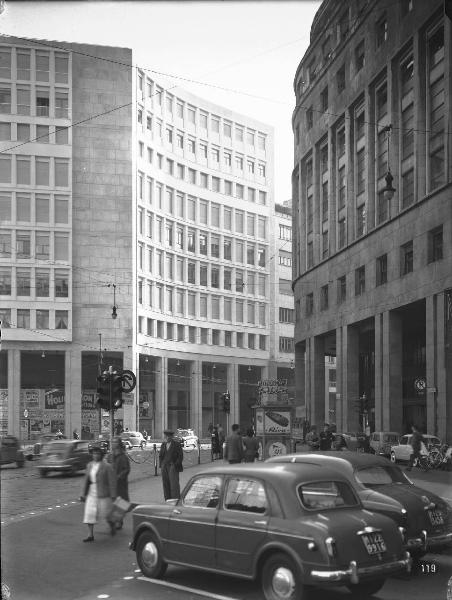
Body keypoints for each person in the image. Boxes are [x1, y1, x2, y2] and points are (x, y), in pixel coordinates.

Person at [80, 444, 117, 542]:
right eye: (94, 453)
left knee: (106, 513)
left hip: (103, 492)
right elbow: (86, 480)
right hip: (92, 491)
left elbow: (112, 481)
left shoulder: (107, 466)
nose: (95, 455)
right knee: (89, 513)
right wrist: (83, 493)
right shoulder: (89, 465)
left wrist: (113, 495)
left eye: (97, 453)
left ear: (101, 455)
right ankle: (90, 534)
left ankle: (112, 524)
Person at [107, 436, 130, 530]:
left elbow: (127, 469)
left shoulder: (123, 456)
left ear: (119, 443)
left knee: (122, 501)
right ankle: (115, 519)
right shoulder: (110, 456)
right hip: (111, 483)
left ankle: (118, 520)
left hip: (120, 483)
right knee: (114, 501)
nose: (113, 443)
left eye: (115, 442)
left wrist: (120, 476)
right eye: (112, 442)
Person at [159, 429, 184, 500]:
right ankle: (167, 499)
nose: (166, 438)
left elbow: (180, 456)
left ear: (171, 437)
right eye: (165, 436)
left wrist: (175, 465)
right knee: (165, 484)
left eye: (167, 437)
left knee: (174, 485)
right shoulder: (163, 445)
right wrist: (161, 465)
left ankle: (175, 499)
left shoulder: (177, 444)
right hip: (164, 467)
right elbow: (160, 456)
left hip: (173, 466)